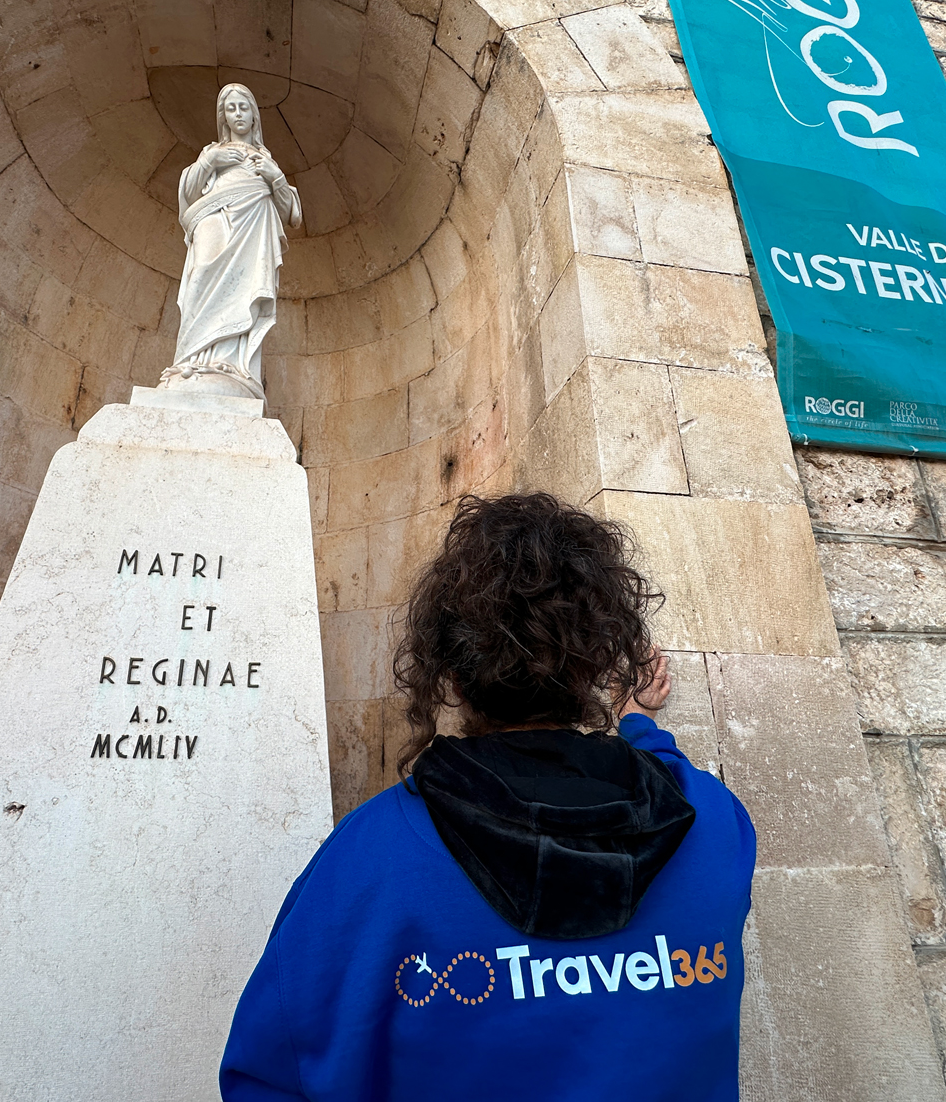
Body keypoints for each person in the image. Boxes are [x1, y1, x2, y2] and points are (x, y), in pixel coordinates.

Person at [219, 493, 757, 1101]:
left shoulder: (368, 863)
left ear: (449, 673)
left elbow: (268, 1077)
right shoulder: (713, 825)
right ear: (596, 661)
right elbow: (668, 777)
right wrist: (638, 724)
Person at [161, 82, 302, 401]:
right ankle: (191, 362)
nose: (238, 113)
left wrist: (274, 176)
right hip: (214, 220)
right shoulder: (212, 152)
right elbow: (189, 193)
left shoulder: (266, 158)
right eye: (231, 108)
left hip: (253, 228)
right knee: (201, 277)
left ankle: (229, 367)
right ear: (223, 116)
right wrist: (211, 162)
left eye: (244, 107)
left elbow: (291, 213)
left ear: (255, 115)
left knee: (243, 289)